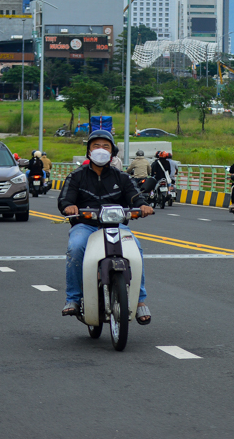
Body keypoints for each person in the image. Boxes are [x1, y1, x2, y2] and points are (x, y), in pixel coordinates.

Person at [57, 129, 154, 324]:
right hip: (85, 225)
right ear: (88, 151)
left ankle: (140, 300)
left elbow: (134, 196)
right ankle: (73, 299)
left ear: (112, 152)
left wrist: (142, 205)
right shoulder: (76, 176)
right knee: (75, 247)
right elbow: (65, 199)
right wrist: (69, 206)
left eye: (105, 146)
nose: (100, 150)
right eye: (96, 146)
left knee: (136, 248)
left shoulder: (121, 177)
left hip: (116, 226)